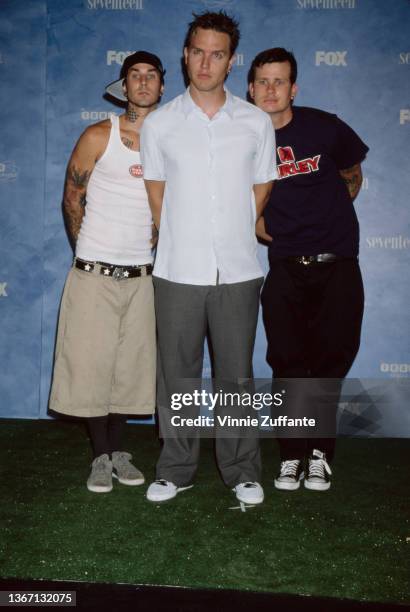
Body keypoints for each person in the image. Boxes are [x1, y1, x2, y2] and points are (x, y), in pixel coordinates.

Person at [140, 11, 276, 504]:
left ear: (231, 60)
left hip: (239, 270)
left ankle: (241, 469)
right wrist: (187, 234)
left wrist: (232, 229)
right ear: (185, 53)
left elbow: (261, 188)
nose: (205, 62)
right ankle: (175, 469)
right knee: (176, 374)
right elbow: (157, 195)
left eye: (217, 54)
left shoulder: (256, 123)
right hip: (177, 268)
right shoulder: (161, 124)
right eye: (198, 51)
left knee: (235, 375)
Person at [248, 47, 369, 492]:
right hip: (285, 268)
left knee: (327, 364)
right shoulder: (244, 136)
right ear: (251, 87)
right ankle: (291, 455)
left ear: (293, 88)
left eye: (280, 81)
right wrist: (259, 225)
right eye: (263, 81)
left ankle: (319, 455)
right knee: (288, 364)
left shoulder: (324, 126)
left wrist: (327, 221)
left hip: (336, 265)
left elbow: (352, 172)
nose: (271, 89)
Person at [49, 51, 165, 493]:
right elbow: (71, 197)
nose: (142, 82)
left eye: (151, 75)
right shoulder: (100, 134)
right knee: (92, 367)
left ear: (161, 85)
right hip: (95, 272)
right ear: (123, 85)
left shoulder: (166, 141)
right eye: (134, 74)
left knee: (129, 369)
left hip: (143, 275)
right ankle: (100, 456)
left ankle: (119, 451)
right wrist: (88, 253)